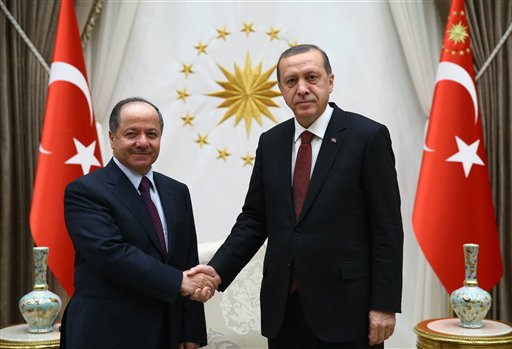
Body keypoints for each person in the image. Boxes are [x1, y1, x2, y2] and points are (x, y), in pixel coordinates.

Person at [190, 44, 404, 348]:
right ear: (281, 89)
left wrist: (384, 304)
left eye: (311, 78)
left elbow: (387, 229)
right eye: (291, 81)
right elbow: (254, 219)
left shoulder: (367, 138)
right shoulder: (271, 143)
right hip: (284, 311)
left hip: (347, 311)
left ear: (330, 82)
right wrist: (217, 270)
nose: (302, 88)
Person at [60, 97, 212, 349]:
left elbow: (187, 259)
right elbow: (109, 254)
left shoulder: (177, 191)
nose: (143, 142)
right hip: (106, 333)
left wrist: (191, 330)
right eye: (132, 133)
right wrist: (178, 282)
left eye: (151, 134)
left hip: (168, 332)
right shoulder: (85, 191)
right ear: (112, 138)